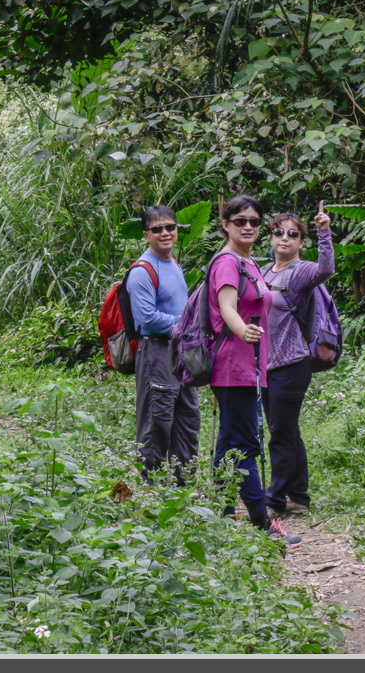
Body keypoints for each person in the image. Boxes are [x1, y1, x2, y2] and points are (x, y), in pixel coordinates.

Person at [208, 194, 302, 548]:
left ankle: (220, 514)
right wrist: (240, 329)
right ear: (226, 224)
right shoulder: (228, 263)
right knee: (247, 445)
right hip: (234, 364)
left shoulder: (248, 262)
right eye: (240, 221)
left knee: (228, 443)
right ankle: (263, 523)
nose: (248, 226)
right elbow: (227, 306)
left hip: (249, 364)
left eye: (254, 221)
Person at [261, 201, 334, 520]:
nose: (284, 239)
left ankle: (275, 498)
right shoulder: (262, 271)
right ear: (272, 237)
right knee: (287, 430)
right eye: (278, 233)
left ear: (301, 242)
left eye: (292, 234)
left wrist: (324, 232)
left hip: (292, 363)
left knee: (279, 430)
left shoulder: (302, 271)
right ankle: (300, 496)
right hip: (266, 365)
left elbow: (326, 269)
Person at [129, 205, 200, 486]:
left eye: (170, 227)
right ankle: (151, 488)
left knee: (187, 418)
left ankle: (184, 488)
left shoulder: (174, 265)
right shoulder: (142, 271)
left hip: (180, 351)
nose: (165, 233)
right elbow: (146, 317)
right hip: (156, 352)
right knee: (156, 422)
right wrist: (186, 326)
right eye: (157, 229)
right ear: (146, 234)